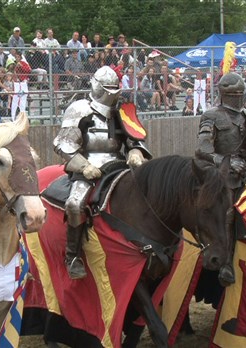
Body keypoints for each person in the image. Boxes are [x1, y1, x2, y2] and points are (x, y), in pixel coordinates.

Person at [53, 66, 152, 279]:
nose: (112, 93)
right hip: (88, 165)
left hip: (118, 166)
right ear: (97, 87)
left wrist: (135, 152)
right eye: (108, 88)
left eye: (115, 88)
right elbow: (64, 144)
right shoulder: (80, 109)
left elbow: (134, 140)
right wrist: (83, 166)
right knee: (75, 203)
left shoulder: (122, 112)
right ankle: (73, 256)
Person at [196, 72, 246, 237]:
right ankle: (225, 252)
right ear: (224, 95)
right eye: (233, 94)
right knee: (227, 211)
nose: (237, 98)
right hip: (222, 170)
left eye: (239, 94)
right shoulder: (211, 115)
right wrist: (227, 162)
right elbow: (203, 149)